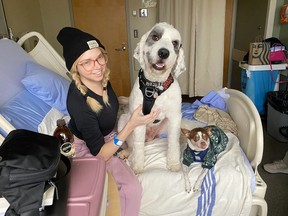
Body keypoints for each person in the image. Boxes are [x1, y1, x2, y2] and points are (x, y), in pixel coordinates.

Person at [57, 27, 159, 216]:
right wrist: (131, 124)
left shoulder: (102, 79)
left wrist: (131, 102)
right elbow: (101, 154)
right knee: (131, 189)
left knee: (148, 135)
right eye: (86, 62)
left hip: (109, 135)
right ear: (75, 68)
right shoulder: (78, 103)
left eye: (99, 58)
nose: (97, 66)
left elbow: (108, 104)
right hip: (89, 149)